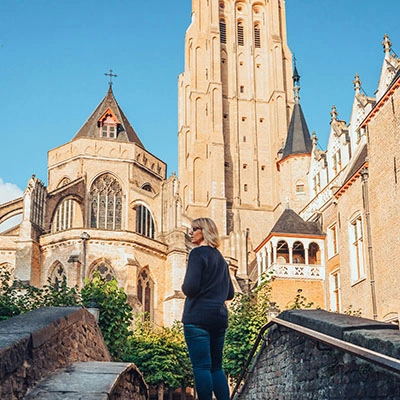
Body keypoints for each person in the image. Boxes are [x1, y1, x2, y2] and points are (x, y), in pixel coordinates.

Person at [181, 217, 234, 400]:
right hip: (219, 318)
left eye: (194, 229)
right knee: (216, 367)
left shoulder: (197, 254)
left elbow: (190, 288)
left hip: (197, 318)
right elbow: (230, 293)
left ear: (204, 231)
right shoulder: (221, 259)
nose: (190, 232)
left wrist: (186, 287)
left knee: (202, 367)